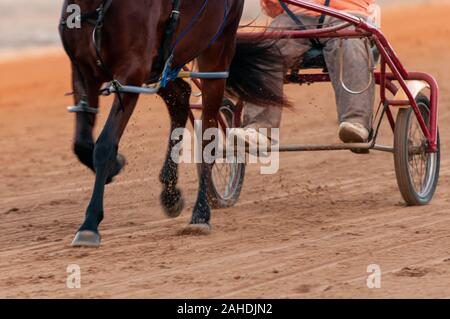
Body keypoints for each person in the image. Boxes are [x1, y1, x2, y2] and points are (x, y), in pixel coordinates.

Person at [238, 0, 378, 150]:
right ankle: (259, 128)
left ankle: (356, 122)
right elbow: (273, 7)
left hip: (346, 14)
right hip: (296, 16)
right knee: (266, 50)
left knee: (350, 44)